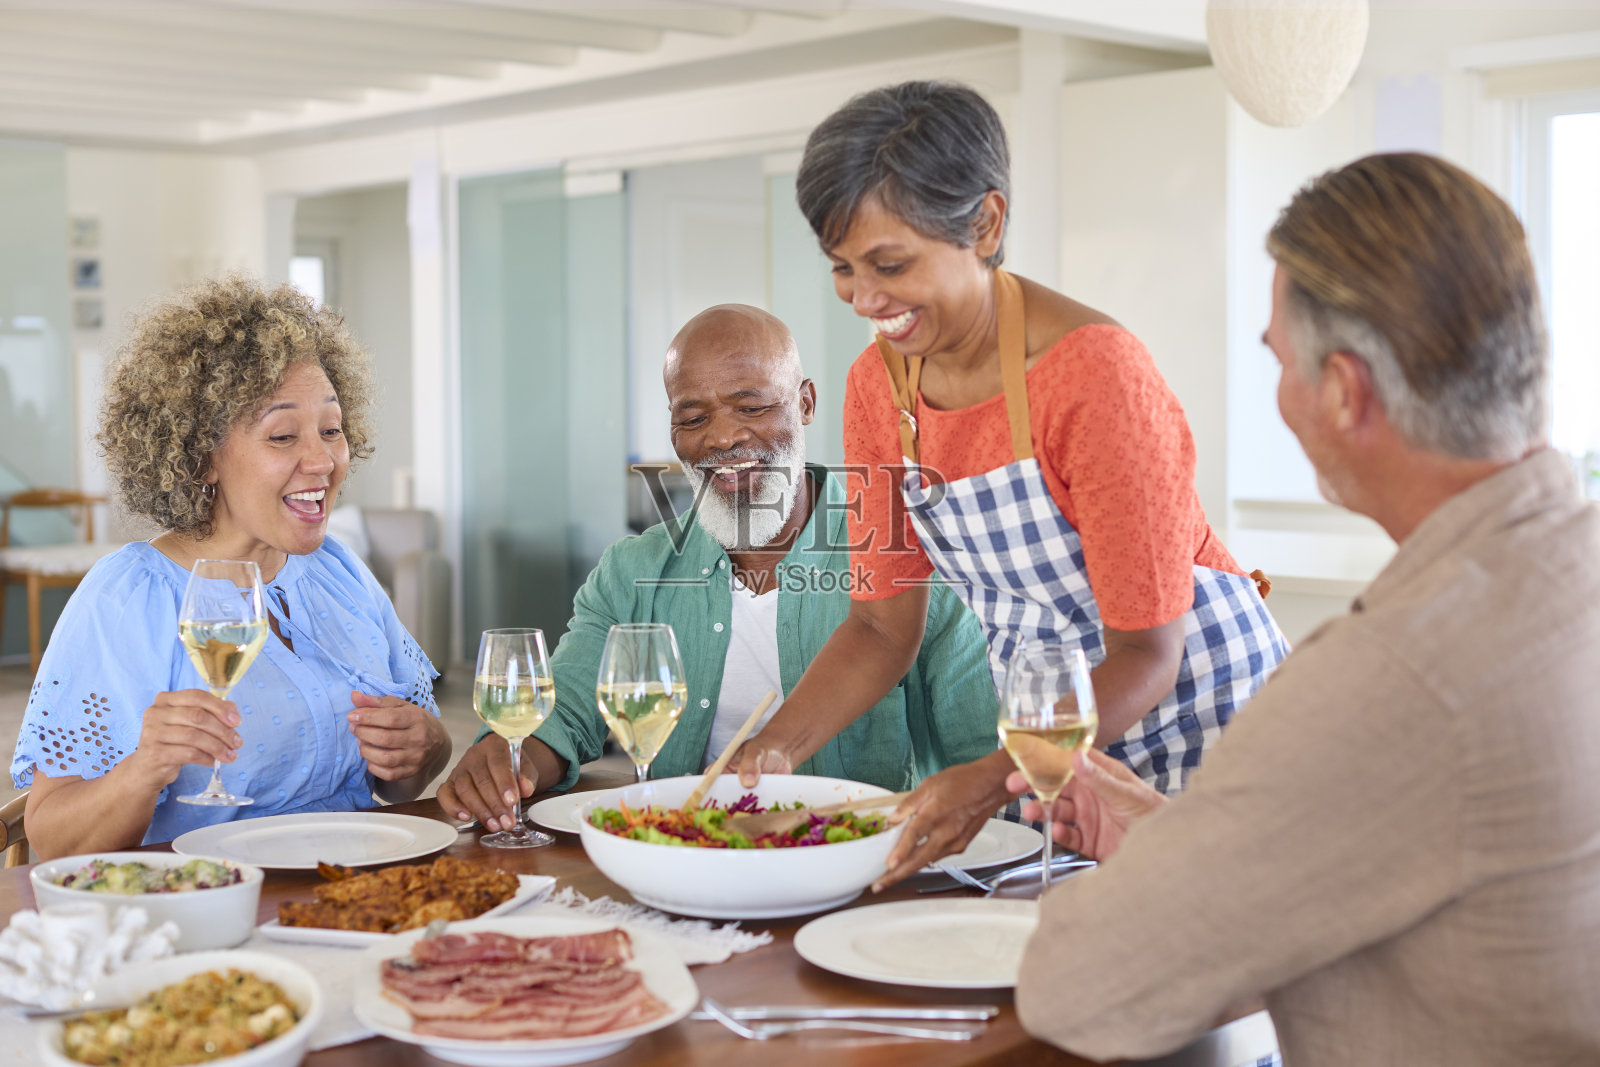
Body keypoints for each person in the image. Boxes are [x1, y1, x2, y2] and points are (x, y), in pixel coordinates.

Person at [1013, 153, 1600, 1064]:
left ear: (1343, 389)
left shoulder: (1392, 677)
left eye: (1279, 362)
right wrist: (1186, 845)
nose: (1280, 394)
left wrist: (1166, 880)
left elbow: (1078, 987)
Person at [730, 80, 1288, 882]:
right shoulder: (876, 388)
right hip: (1051, 746)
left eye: (890, 264)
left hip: (1205, 720)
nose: (865, 299)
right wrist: (775, 745)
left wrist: (993, 777)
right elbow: (881, 629)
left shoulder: (1095, 374)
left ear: (985, 224)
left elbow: (1147, 653)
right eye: (843, 269)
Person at [437, 305, 998, 831]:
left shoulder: (908, 554)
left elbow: (984, 761)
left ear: (805, 403)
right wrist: (510, 761)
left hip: (866, 870)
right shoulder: (633, 570)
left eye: (752, 408)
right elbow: (568, 714)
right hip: (686, 861)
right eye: (693, 417)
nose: (723, 437)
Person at [12, 276, 451, 857]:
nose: (322, 460)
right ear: (203, 456)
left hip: (357, 891)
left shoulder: (339, 572)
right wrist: (145, 769)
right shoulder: (127, 599)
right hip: (210, 911)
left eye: (332, 429)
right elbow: (49, 837)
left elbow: (400, 784)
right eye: (283, 435)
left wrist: (424, 747)